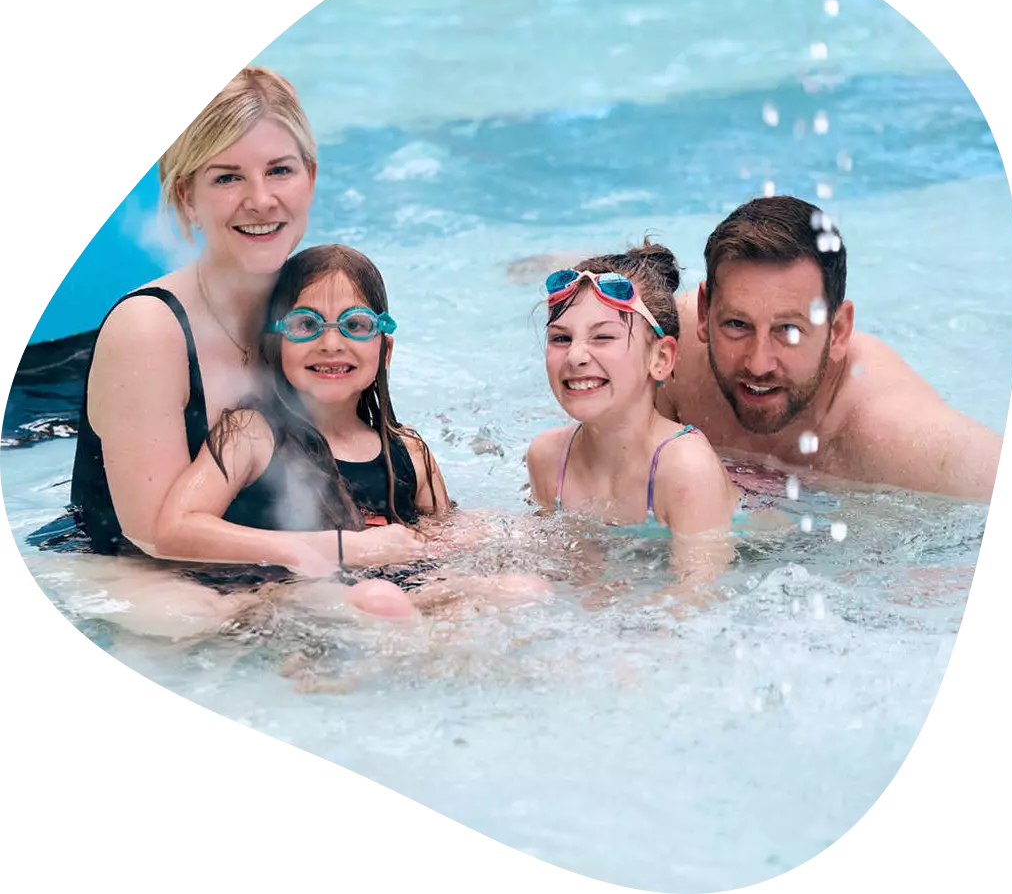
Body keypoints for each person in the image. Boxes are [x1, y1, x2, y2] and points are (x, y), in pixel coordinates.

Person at [45, 66, 428, 630]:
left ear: (311, 179)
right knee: (190, 620)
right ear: (187, 196)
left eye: (280, 170)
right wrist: (341, 553)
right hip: (142, 571)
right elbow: (153, 534)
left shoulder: (314, 317)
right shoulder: (149, 329)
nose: (261, 199)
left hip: (279, 562)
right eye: (227, 178)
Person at [153, 244, 552, 614]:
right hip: (292, 602)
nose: (330, 343)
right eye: (306, 323)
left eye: (356, 325)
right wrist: (342, 548)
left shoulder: (408, 451)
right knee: (379, 600)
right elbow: (175, 530)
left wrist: (491, 532)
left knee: (524, 589)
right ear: (275, 345)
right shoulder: (253, 435)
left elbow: (438, 537)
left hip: (400, 596)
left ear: (385, 350)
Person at [656, 195, 1005, 502]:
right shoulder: (667, 354)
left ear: (838, 330)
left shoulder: (894, 435)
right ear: (705, 312)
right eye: (737, 325)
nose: (758, 363)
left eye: (788, 330)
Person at [526, 242, 742, 594]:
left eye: (603, 337)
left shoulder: (685, 468)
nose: (576, 355)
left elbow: (699, 598)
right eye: (561, 338)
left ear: (660, 358)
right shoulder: (548, 459)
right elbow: (564, 573)